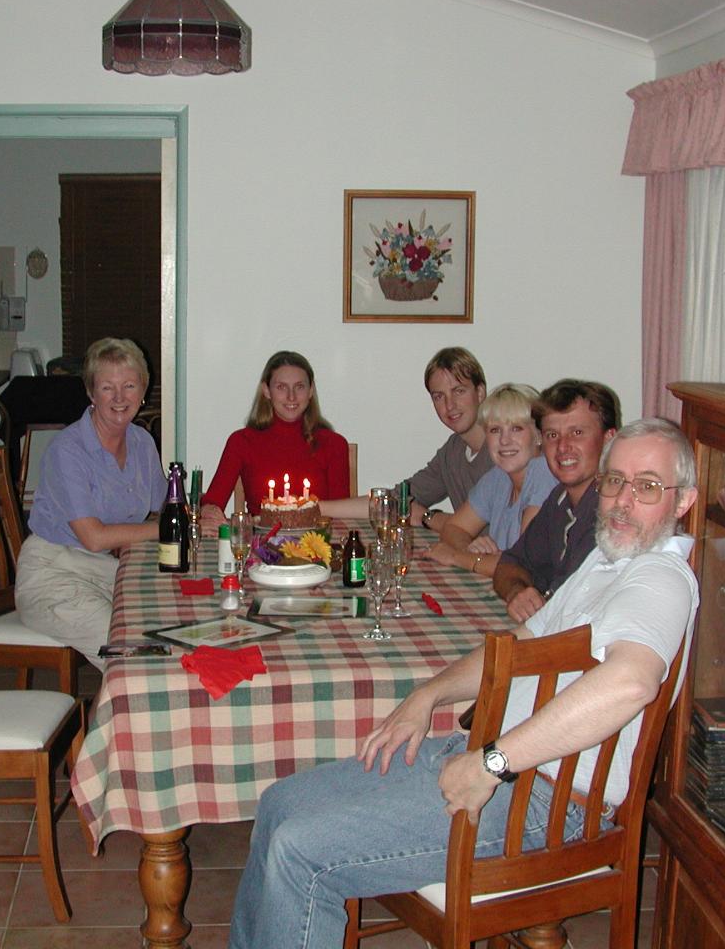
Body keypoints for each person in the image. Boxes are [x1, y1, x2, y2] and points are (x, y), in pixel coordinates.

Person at [228, 419, 700, 949]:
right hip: (491, 760)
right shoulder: (606, 563)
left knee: (301, 850)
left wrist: (492, 762)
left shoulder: (660, 579)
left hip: (545, 801)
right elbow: (519, 642)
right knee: (278, 805)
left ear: (682, 501)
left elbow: (631, 683)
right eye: (614, 481)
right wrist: (426, 695)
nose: (622, 500)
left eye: (647, 486)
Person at [14, 338, 166, 667]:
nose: (120, 397)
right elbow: (94, 537)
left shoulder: (141, 443)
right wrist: (164, 528)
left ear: (143, 390)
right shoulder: (67, 450)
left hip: (108, 571)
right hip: (53, 575)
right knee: (132, 655)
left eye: (129, 385)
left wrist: (199, 514)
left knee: (169, 625)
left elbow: (165, 505)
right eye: (107, 387)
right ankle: (125, 715)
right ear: (90, 393)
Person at [318, 347, 492, 534]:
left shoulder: (505, 450)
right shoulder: (453, 451)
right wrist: (314, 508)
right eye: (439, 396)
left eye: (459, 391)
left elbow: (474, 530)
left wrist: (427, 517)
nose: (450, 405)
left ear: (480, 392)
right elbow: (395, 500)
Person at [493, 379, 621, 622]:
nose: (563, 447)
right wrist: (516, 592)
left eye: (577, 433)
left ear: (609, 439)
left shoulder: (613, 511)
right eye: (552, 435)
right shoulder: (560, 499)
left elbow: (570, 606)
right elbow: (510, 563)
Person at [199, 351, 350, 527]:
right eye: (281, 387)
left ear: (311, 391)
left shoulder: (334, 444)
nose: (291, 396)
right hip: (261, 546)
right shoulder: (242, 441)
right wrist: (209, 511)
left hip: (316, 545)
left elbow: (342, 515)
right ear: (266, 391)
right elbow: (212, 502)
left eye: (299, 386)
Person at [425, 383, 557, 577]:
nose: (504, 440)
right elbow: (454, 527)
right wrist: (471, 548)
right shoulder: (498, 477)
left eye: (516, 428)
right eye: (495, 430)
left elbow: (522, 565)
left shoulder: (544, 474)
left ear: (538, 435)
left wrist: (456, 557)